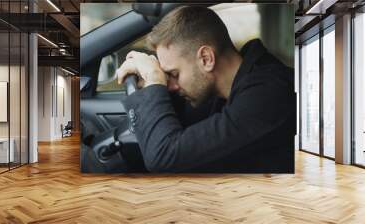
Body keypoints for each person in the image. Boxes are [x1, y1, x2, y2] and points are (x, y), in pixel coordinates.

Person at [117, 6, 296, 173]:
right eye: (166, 76)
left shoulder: (267, 95)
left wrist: (154, 79)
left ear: (206, 59)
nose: (170, 85)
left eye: (174, 73)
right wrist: (152, 82)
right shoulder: (222, 88)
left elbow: (164, 157)